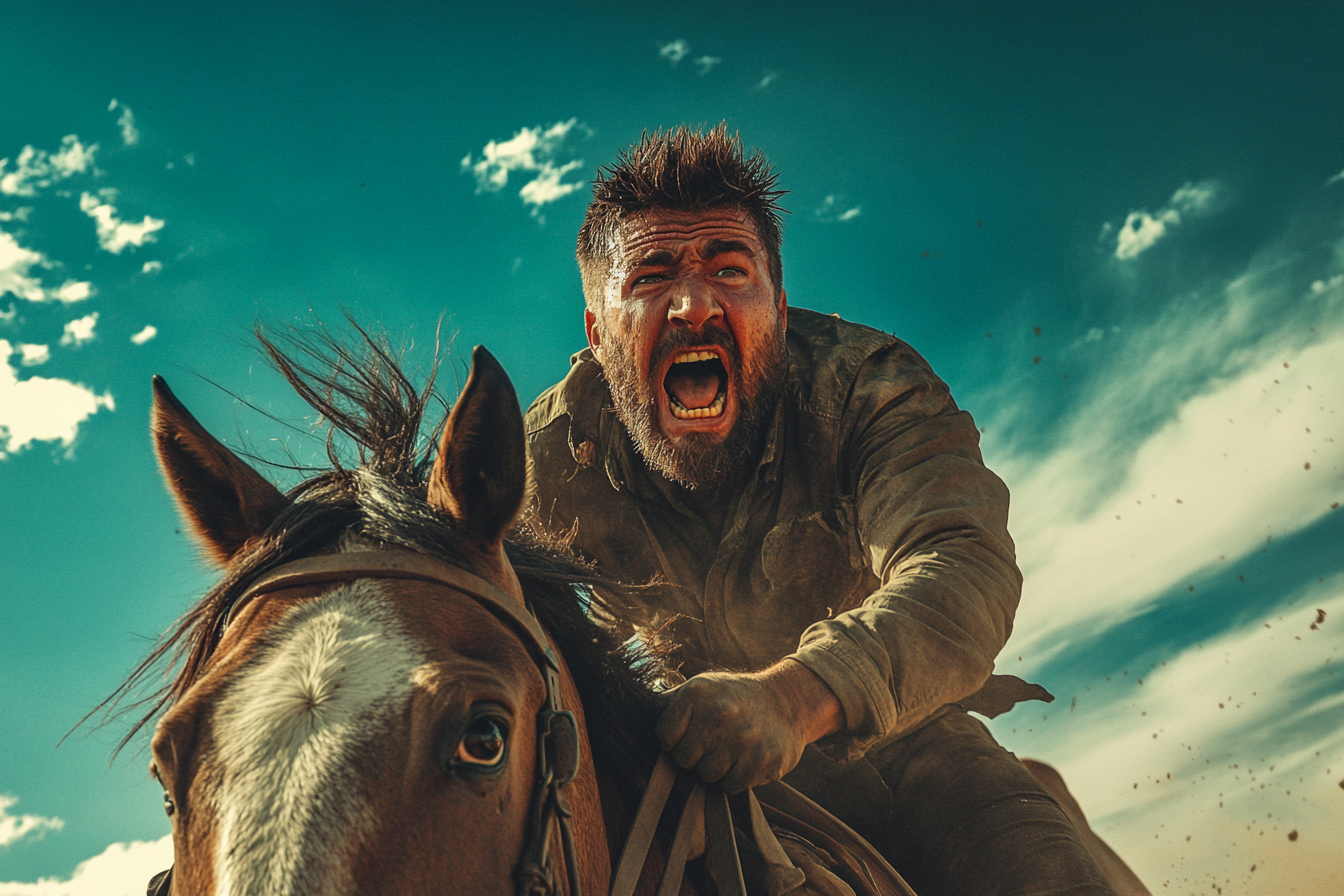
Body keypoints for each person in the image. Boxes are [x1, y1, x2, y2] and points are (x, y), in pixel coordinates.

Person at [523, 125, 1117, 895]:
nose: (694, 304)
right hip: (660, 759)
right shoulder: (538, 453)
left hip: (899, 747)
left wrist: (789, 698)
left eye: (730, 271)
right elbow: (445, 578)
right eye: (651, 277)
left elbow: (960, 565)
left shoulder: (870, 386)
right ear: (599, 336)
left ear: (775, 303)